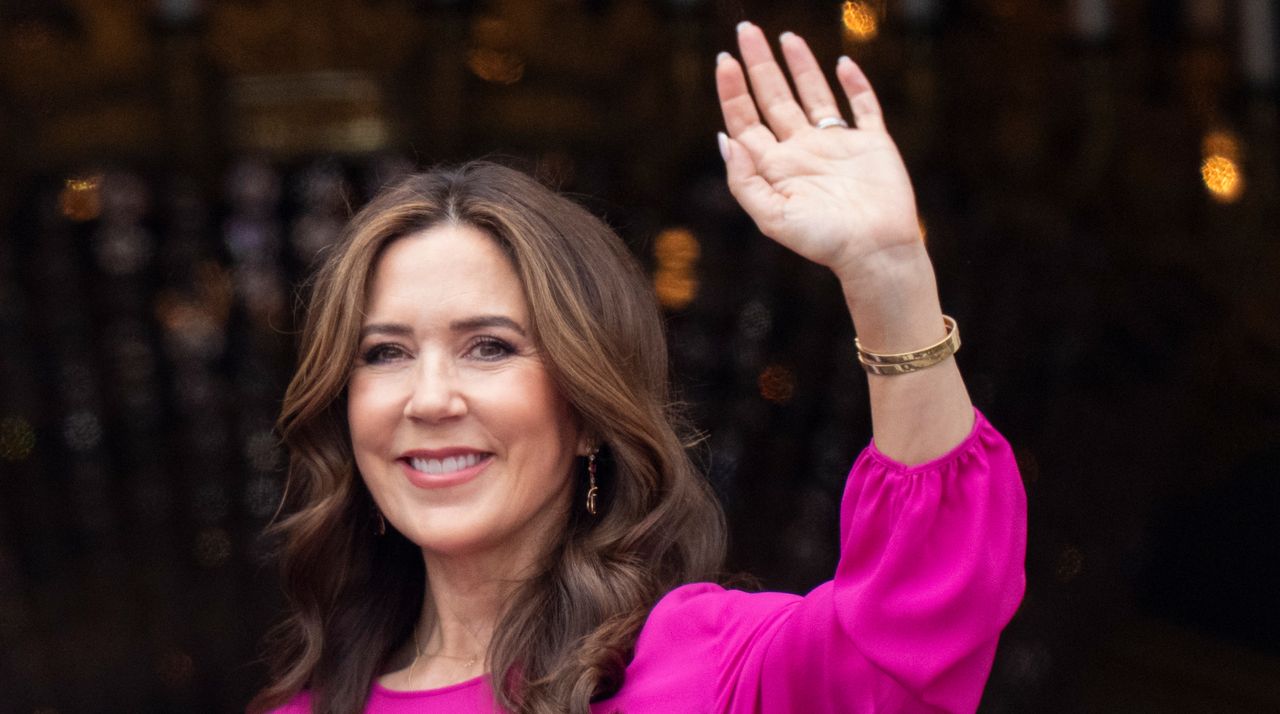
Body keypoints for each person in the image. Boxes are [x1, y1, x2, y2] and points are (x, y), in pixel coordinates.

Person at [250, 22, 1026, 714]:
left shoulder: (713, 670)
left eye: (490, 346)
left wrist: (889, 279)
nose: (428, 397)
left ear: (588, 410)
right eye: (384, 354)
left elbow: (918, 624)